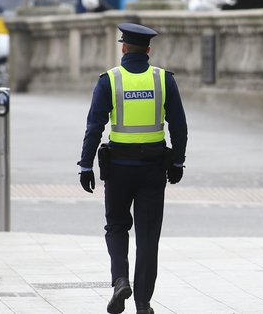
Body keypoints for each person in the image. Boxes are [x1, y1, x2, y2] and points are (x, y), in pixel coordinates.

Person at [77, 23, 188, 314]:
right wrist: (177, 162)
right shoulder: (164, 80)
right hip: (153, 169)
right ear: (148, 51)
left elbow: (94, 126)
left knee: (116, 226)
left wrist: (86, 165)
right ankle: (143, 303)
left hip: (118, 168)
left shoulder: (110, 80)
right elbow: (179, 126)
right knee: (148, 237)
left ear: (123, 47)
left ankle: (120, 281)